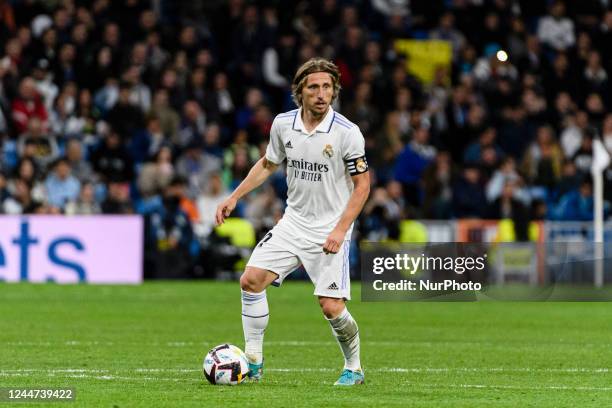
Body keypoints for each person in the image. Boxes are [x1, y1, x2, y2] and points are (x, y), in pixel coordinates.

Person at [215, 58, 370, 386]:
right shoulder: (283, 125)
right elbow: (268, 164)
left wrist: (341, 230)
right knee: (251, 279)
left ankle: (353, 368)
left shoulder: (347, 133)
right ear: (299, 91)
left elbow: (363, 186)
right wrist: (234, 196)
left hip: (330, 228)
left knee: (330, 307)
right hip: (294, 222)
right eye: (313, 87)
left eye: (327, 87)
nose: (321, 93)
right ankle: (254, 361)